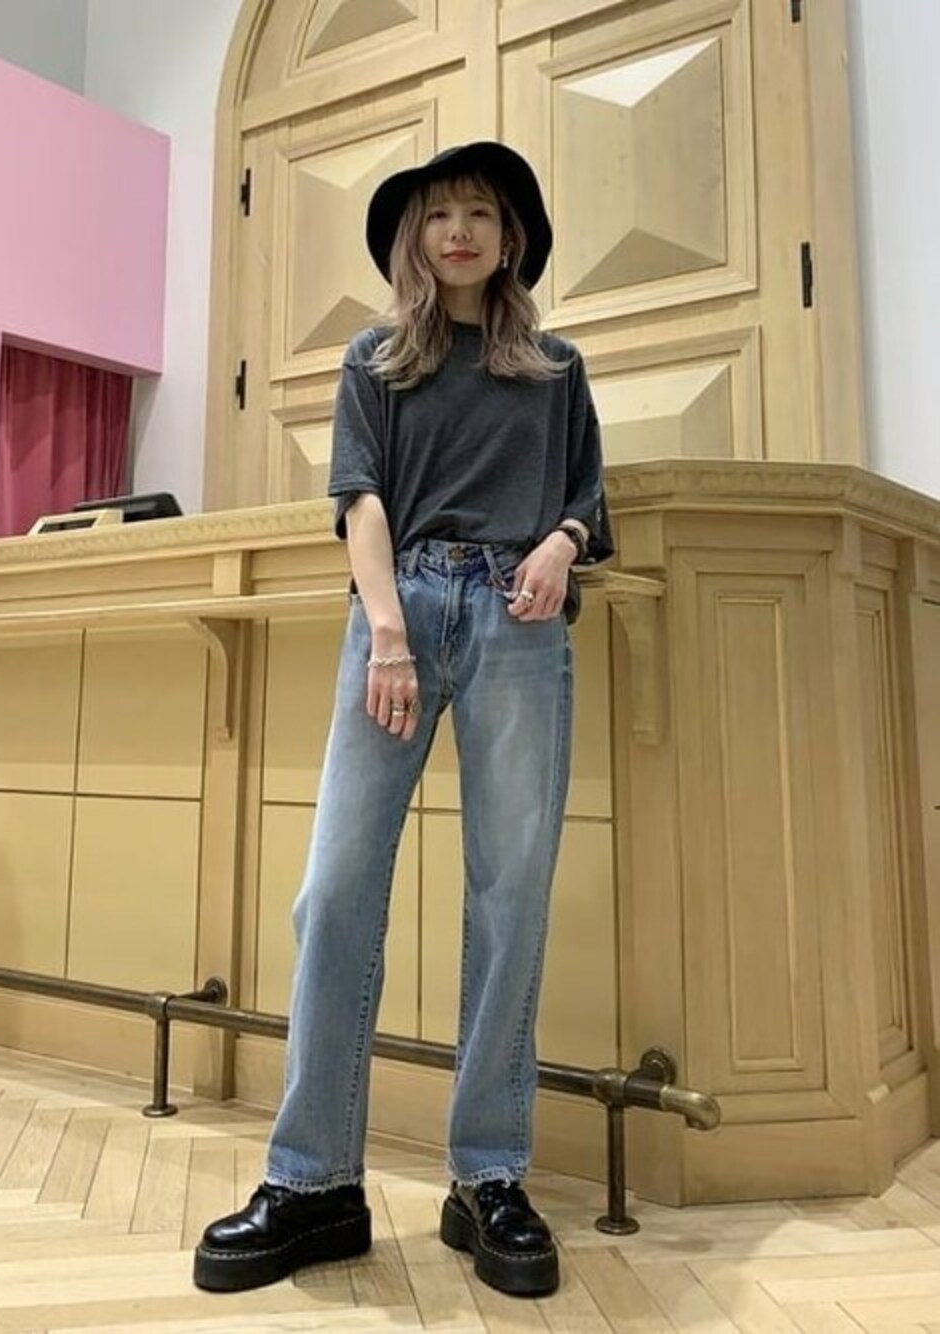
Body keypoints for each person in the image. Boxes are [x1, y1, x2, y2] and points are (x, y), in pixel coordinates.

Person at [193, 140, 611, 1300]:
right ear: (412, 239)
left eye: (479, 212)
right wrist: (387, 630)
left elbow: (587, 495)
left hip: (520, 620)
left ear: (509, 236)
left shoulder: (555, 368)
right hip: (399, 610)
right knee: (334, 890)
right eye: (438, 215)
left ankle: (488, 1174)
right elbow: (359, 499)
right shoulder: (374, 360)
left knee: (509, 896)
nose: (458, 231)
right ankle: (316, 1179)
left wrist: (562, 542)